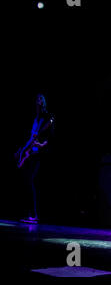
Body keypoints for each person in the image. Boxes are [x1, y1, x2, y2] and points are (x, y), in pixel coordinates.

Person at [15, 94, 54, 224]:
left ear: (43, 103)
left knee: (30, 180)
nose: (38, 102)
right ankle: (30, 214)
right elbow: (32, 137)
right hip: (31, 152)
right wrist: (22, 149)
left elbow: (49, 137)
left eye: (40, 100)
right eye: (36, 100)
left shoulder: (47, 117)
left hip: (39, 153)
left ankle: (34, 215)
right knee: (26, 181)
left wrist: (41, 145)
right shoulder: (36, 119)